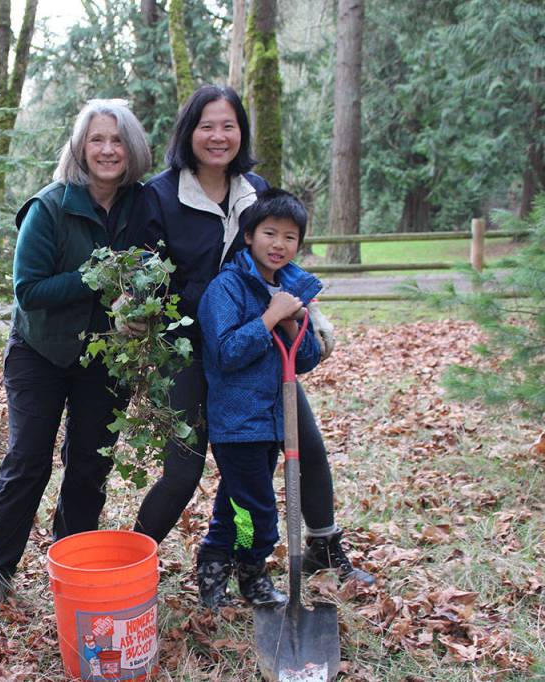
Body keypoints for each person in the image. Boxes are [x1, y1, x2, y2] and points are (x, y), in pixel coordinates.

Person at [129, 84, 373, 587]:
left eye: (229, 126)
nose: (218, 137)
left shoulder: (255, 189)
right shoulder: (159, 194)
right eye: (207, 126)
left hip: (257, 347)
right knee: (185, 466)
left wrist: (307, 312)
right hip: (192, 350)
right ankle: (133, 560)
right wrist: (132, 312)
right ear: (189, 131)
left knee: (299, 443)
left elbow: (277, 257)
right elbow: (144, 272)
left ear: (241, 132)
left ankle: (318, 545)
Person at [0, 99, 154, 610]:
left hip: (105, 357)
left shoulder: (142, 205)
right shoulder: (49, 206)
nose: (107, 149)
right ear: (79, 146)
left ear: (132, 148)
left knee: (89, 466)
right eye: (97, 139)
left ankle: (70, 563)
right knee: (29, 459)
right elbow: (28, 289)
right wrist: (100, 279)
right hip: (40, 353)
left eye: (117, 140)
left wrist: (139, 301)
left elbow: (161, 265)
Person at [196, 188, 321, 608]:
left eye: (290, 237)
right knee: (258, 515)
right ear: (249, 235)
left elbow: (303, 360)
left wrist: (292, 324)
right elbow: (226, 352)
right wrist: (270, 317)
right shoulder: (226, 289)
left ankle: (217, 571)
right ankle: (252, 569)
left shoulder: (289, 291)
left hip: (271, 421)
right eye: (270, 233)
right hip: (238, 423)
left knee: (237, 507)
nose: (279, 245)